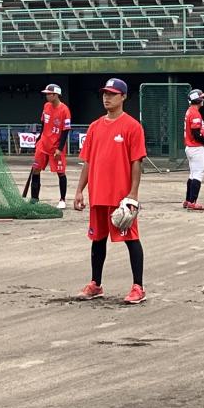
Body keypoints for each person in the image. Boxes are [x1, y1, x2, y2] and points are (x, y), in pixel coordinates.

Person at [74, 78, 148, 304]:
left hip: (121, 197)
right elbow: (87, 161)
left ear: (123, 97)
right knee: (97, 239)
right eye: (105, 93)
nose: (107, 98)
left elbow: (136, 162)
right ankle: (96, 284)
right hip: (98, 193)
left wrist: (133, 194)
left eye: (112, 94)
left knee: (131, 239)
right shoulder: (94, 127)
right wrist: (79, 190)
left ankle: (138, 287)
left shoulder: (132, 126)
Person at [30, 83, 71, 209]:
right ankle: (34, 199)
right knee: (35, 170)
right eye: (46, 94)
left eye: (49, 94)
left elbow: (65, 131)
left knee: (60, 172)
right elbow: (43, 124)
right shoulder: (46, 106)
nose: (47, 96)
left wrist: (60, 148)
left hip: (56, 147)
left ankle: (62, 200)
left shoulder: (64, 110)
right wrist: (39, 139)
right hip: (43, 144)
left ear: (56, 95)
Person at [183, 88, 204, 211]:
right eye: (201, 98)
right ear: (197, 99)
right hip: (196, 148)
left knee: (192, 174)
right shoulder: (195, 113)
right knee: (198, 174)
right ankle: (192, 202)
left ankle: (188, 200)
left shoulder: (190, 111)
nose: (203, 100)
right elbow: (196, 134)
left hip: (190, 148)